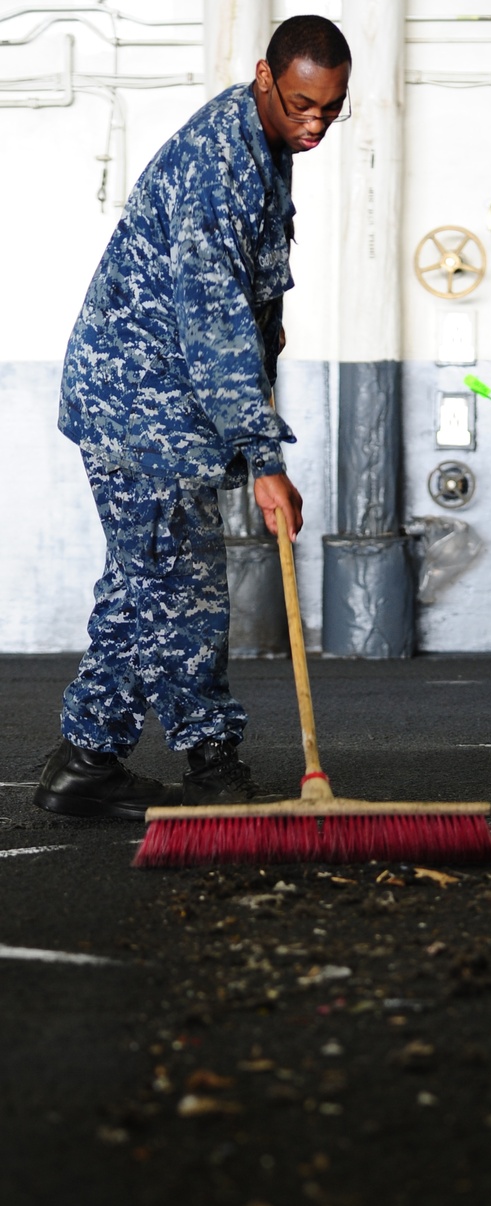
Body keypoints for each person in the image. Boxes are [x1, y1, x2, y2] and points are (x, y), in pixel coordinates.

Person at [34, 15, 351, 821]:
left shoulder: (266, 148)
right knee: (186, 591)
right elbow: (212, 326)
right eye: (301, 104)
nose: (314, 124)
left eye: (331, 109)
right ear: (263, 77)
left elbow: (250, 309)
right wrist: (264, 457)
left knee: (142, 590)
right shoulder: (221, 165)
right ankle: (213, 764)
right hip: (140, 403)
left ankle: (88, 762)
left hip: (164, 404)